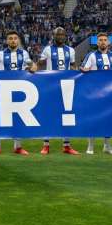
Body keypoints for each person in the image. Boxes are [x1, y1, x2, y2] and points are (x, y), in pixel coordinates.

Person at [0, 30, 37, 156]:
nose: (13, 40)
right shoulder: (1, 54)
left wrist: (33, 68)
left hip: (18, 90)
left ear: (18, 40)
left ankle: (18, 147)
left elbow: (33, 65)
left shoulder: (24, 53)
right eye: (10, 38)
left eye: (15, 38)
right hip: (3, 90)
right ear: (7, 41)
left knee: (17, 119)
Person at [80, 32, 112, 155]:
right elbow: (84, 68)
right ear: (97, 42)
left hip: (110, 93)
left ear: (109, 42)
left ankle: (107, 146)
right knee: (93, 119)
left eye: (105, 40)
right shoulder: (92, 56)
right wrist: (84, 69)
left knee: (109, 119)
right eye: (100, 40)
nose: (103, 42)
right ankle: (90, 146)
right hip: (95, 93)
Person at [37, 27, 80, 155]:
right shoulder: (47, 49)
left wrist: (78, 71)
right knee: (49, 114)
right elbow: (40, 63)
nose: (60, 36)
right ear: (53, 35)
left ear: (65, 36)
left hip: (66, 86)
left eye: (62, 34)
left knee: (67, 115)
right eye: (58, 34)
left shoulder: (70, 50)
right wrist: (33, 69)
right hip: (51, 86)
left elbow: (72, 65)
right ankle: (46, 145)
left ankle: (66, 145)